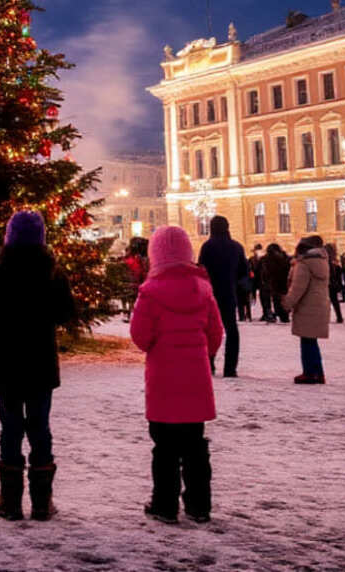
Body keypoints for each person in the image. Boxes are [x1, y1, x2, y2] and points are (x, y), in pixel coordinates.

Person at [0, 211, 77, 522]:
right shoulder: (52, 274)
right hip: (40, 363)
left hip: (7, 361)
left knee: (10, 429)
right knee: (40, 428)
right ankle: (42, 501)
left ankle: (10, 500)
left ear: (9, 237)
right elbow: (65, 313)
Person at [129, 225, 223, 525]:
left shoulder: (150, 292)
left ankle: (164, 505)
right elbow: (215, 334)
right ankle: (199, 505)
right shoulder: (204, 289)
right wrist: (202, 353)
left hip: (163, 381)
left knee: (165, 447)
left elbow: (140, 337)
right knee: (196, 446)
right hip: (196, 379)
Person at [196, 216, 247, 378]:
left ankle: (209, 362)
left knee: (208, 330)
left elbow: (201, 270)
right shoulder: (236, 247)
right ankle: (230, 368)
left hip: (209, 294)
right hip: (229, 293)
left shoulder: (208, 246)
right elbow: (243, 272)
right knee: (231, 330)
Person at [282, 235, 331, 384]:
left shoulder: (304, 264)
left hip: (307, 306)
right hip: (320, 304)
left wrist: (287, 303)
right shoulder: (322, 261)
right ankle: (318, 372)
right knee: (311, 340)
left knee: (307, 341)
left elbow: (298, 288)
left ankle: (310, 373)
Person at [263, 243, 291, 323]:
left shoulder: (267, 259)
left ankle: (281, 314)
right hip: (283, 283)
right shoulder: (285, 257)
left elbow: (266, 273)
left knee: (277, 300)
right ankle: (284, 315)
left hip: (275, 283)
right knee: (283, 299)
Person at [249, 244, 272, 321]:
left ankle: (268, 313)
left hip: (264, 281)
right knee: (262, 298)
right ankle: (265, 313)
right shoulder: (251, 259)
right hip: (256, 281)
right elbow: (252, 269)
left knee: (266, 298)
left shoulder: (265, 259)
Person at [325, 242, 345, 324]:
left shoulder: (325, 260)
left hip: (328, 283)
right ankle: (339, 317)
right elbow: (339, 272)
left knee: (326, 301)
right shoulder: (334, 261)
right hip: (333, 284)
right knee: (335, 301)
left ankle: (327, 317)